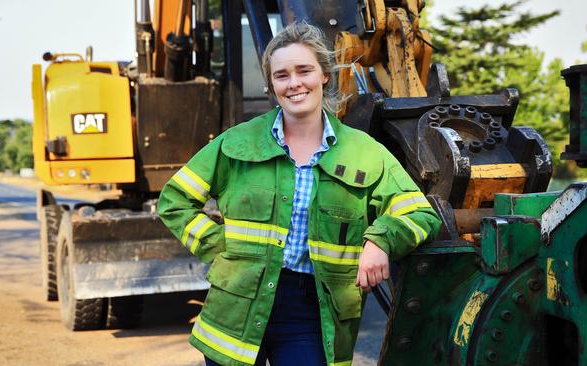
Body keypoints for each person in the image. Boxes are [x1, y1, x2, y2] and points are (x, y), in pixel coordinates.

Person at [158, 22, 441, 366]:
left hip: (313, 315)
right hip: (237, 308)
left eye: (304, 70)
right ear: (271, 84)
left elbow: (420, 214)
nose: (293, 83)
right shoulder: (237, 143)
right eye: (281, 75)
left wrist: (381, 240)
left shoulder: (364, 152)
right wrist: (218, 247)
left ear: (324, 74)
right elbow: (174, 201)